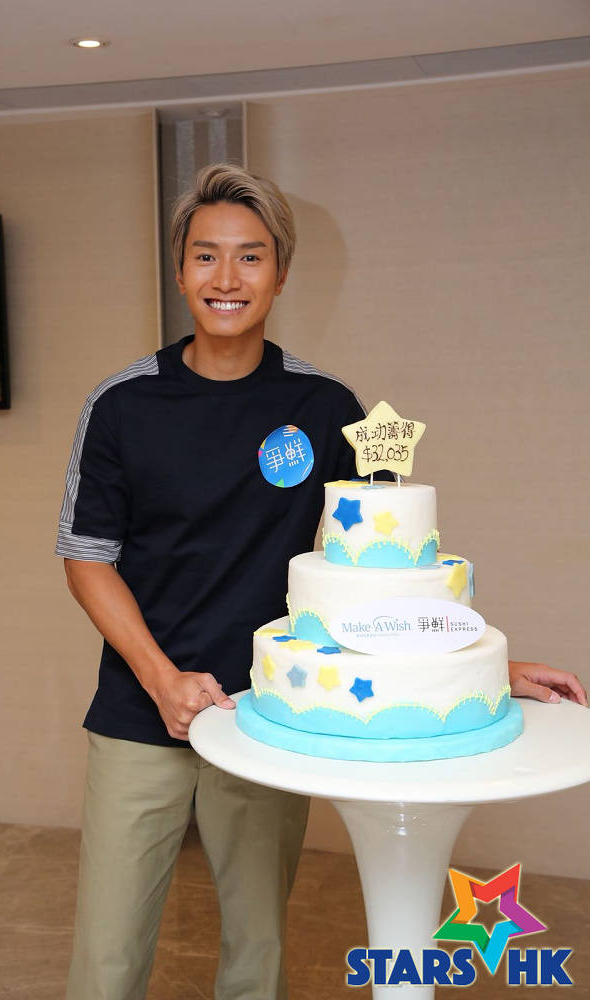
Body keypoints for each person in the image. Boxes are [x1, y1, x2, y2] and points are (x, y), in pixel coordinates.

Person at [56, 162, 587, 1000]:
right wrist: (161, 681)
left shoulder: (325, 406)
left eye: (251, 256)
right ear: (180, 270)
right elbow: (86, 557)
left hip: (270, 710)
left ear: (281, 273)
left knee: (258, 952)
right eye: (206, 255)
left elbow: (378, 569)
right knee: (107, 958)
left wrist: (486, 668)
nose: (227, 278)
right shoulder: (122, 404)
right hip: (138, 712)